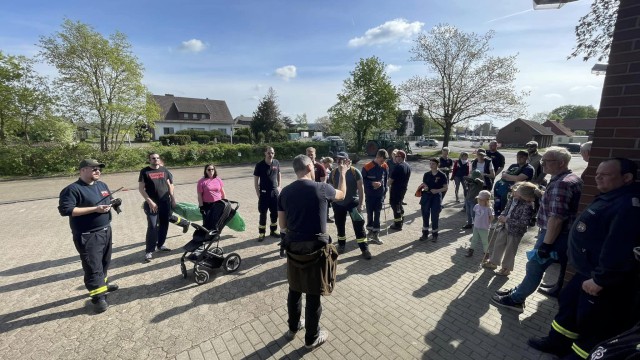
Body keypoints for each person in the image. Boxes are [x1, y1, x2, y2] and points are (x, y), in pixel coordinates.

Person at [527, 158, 640, 360]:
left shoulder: (628, 206)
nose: (598, 177)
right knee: (568, 307)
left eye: (605, 174)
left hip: (601, 280)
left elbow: (619, 248)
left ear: (627, 177)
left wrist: (601, 280)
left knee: (592, 322)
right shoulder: (611, 196)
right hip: (586, 273)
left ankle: (578, 356)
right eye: (598, 173)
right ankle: (557, 342)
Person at [491, 147, 583, 313]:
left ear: (561, 163)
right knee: (534, 267)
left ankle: (516, 300)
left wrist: (546, 246)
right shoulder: (567, 179)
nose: (542, 164)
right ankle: (520, 290)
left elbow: (556, 218)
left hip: (553, 235)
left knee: (534, 266)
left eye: (546, 161)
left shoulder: (561, 184)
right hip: (557, 234)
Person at [278, 154, 348, 350]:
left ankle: (293, 327)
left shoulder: (284, 193)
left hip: (293, 248)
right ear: (310, 168)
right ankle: (312, 337)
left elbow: (282, 225)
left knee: (294, 288)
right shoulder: (322, 188)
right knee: (313, 293)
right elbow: (342, 194)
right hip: (316, 249)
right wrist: (342, 173)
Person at [58, 159, 119, 313]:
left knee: (104, 262)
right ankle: (98, 298)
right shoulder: (72, 189)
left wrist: (114, 202)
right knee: (93, 266)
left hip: (105, 230)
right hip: (88, 234)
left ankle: (102, 286)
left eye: (99, 169)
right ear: (83, 170)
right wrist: (95, 209)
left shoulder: (102, 185)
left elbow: (108, 199)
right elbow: (66, 210)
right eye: (94, 169)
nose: (98, 171)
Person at [483, 182, 538, 276]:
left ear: (524, 195)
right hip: (505, 227)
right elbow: (506, 209)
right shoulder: (513, 199)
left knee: (510, 250)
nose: (513, 193)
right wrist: (502, 215)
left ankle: (506, 268)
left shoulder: (528, 206)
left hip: (515, 231)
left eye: (516, 192)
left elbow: (524, 223)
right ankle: (493, 262)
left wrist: (507, 220)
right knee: (498, 244)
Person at [328, 152, 371, 259]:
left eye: (342, 160)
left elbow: (361, 189)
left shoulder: (354, 172)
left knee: (359, 226)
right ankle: (341, 245)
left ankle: (364, 248)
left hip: (353, 204)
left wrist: (361, 204)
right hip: (338, 204)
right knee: (340, 226)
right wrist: (332, 202)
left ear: (347, 161)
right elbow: (331, 189)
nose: (339, 162)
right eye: (338, 159)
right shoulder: (333, 173)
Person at [139, 153, 176, 263]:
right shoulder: (144, 171)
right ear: (149, 160)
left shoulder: (164, 170)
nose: (155, 160)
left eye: (157, 158)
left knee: (164, 223)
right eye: (153, 158)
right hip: (152, 204)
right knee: (152, 226)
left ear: (160, 159)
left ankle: (160, 245)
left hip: (165, 202)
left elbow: (170, 185)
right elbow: (141, 189)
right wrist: (149, 201)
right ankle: (149, 251)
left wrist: (173, 199)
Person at [494, 151, 534, 216]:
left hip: (521, 193)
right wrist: (512, 177)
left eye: (521, 157)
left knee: (515, 210)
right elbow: (503, 176)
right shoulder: (513, 165)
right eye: (517, 157)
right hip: (507, 190)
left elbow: (519, 179)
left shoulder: (529, 168)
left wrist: (508, 176)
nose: (518, 158)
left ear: (526, 158)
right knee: (503, 205)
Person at [361, 149, 389, 244]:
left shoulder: (385, 166)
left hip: (380, 195)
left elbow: (385, 180)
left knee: (377, 214)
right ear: (378, 157)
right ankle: (369, 232)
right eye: (382, 160)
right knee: (369, 213)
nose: (383, 162)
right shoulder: (367, 167)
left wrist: (385, 191)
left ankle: (376, 234)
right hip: (370, 195)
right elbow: (362, 181)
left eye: (384, 161)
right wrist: (372, 183)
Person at [254, 146, 281, 241]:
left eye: (272, 153)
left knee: (274, 213)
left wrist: (279, 186)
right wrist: (258, 194)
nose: (271, 155)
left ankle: (273, 231)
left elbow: (279, 174)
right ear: (265, 153)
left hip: (274, 193)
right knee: (263, 214)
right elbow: (256, 180)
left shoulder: (276, 163)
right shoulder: (259, 165)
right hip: (264, 194)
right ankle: (262, 233)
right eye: (269, 153)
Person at [418, 158, 448, 242]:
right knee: (425, 215)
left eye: (433, 164)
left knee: (435, 216)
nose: (431, 165)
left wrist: (437, 191)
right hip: (426, 197)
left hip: (436, 198)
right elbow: (424, 184)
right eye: (430, 164)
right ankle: (425, 234)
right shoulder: (426, 174)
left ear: (437, 165)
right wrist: (425, 187)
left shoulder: (442, 175)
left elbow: (445, 188)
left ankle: (435, 234)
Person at [465, 190, 494, 258]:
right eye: (479, 199)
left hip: (484, 228)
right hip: (476, 226)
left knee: (485, 242)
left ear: (487, 200)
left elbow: (491, 217)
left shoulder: (489, 209)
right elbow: (475, 215)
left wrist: (487, 223)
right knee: (474, 239)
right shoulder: (477, 206)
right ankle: (470, 251)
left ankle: (486, 254)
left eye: (481, 200)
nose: (479, 201)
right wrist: (474, 222)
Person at [388, 150, 411, 231]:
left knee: (395, 205)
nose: (395, 158)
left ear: (401, 157)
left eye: (397, 156)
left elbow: (391, 180)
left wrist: (385, 185)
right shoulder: (407, 165)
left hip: (396, 189)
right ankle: (401, 217)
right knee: (399, 204)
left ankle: (398, 224)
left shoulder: (398, 167)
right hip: (403, 188)